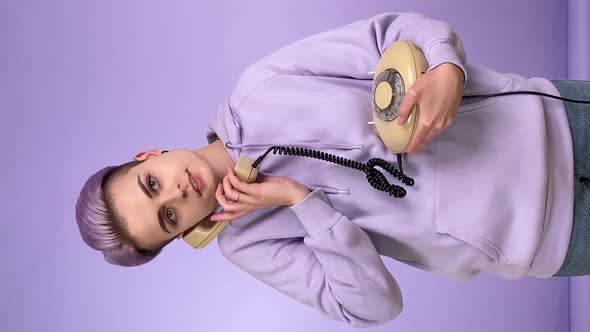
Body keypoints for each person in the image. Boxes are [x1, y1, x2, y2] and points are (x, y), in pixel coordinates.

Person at [75, 12, 590, 327]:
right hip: (549, 235)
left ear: (149, 155)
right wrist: (301, 202)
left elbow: (391, 32)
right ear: (184, 233)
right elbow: (372, 308)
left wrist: (445, 67)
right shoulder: (249, 242)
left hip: (552, 122)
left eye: (151, 184)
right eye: (168, 216)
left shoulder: (259, 87)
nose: (177, 193)